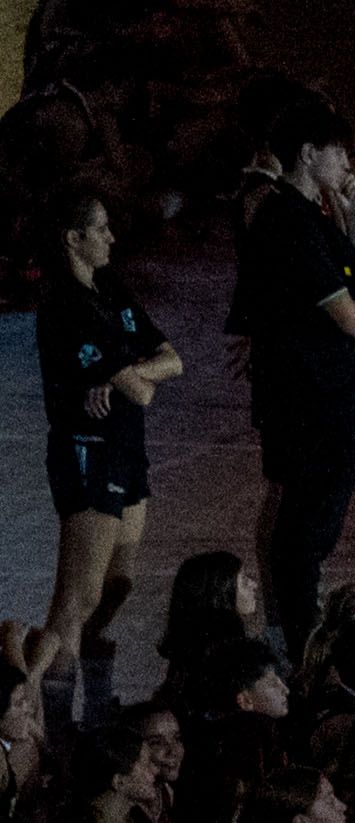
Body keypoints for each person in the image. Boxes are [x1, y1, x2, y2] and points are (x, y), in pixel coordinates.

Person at [237, 94, 355, 648]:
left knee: (311, 521)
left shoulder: (314, 216)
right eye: (337, 152)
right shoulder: (289, 222)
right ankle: (296, 640)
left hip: (325, 398)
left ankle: (294, 629)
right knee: (306, 526)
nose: (347, 163)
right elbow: (354, 318)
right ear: (308, 154)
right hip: (310, 402)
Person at [35, 189, 183, 733]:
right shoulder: (65, 306)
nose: (112, 237)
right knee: (77, 598)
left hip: (127, 448)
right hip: (88, 452)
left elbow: (175, 359)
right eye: (100, 229)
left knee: (118, 584)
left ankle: (95, 703)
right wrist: (134, 375)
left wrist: (129, 374)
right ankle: (48, 721)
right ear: (73, 239)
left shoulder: (111, 288)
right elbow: (145, 390)